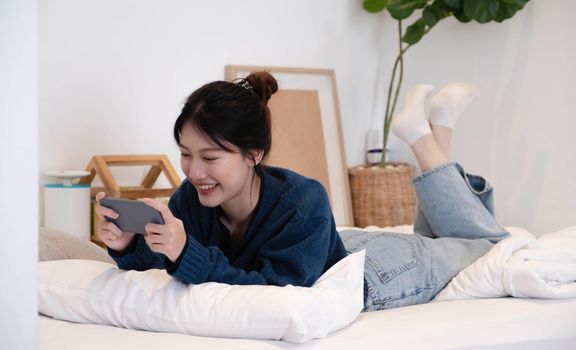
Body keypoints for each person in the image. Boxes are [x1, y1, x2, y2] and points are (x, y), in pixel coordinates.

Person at [95, 72, 509, 312]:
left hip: (375, 274)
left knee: (487, 244)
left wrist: (187, 253)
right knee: (446, 236)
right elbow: (165, 259)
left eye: (211, 157)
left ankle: (424, 139)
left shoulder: (303, 200)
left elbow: (281, 294)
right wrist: (129, 244)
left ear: (253, 154)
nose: (194, 171)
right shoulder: (190, 199)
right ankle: (438, 130)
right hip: (329, 246)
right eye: (186, 154)